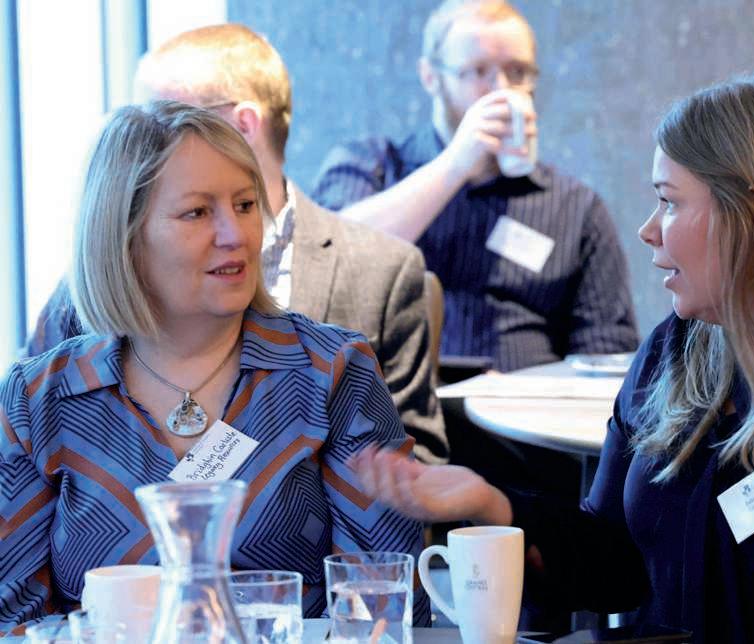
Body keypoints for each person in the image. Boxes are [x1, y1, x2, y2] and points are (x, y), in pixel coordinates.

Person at [351, 72, 754, 642]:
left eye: (669, 202)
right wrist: (491, 503)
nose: (647, 230)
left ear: (753, 216)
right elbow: (614, 562)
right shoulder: (673, 352)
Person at [0, 101, 429, 633]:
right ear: (124, 236)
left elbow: (382, 607)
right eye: (198, 213)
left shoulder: (331, 373)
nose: (236, 234)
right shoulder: (41, 398)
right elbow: (12, 621)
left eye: (245, 205)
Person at [23, 24, 448, 465]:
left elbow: (408, 477)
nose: (145, 139)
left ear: (243, 125)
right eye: (196, 212)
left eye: (169, 112)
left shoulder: (365, 301)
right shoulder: (78, 309)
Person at [312, 0, 639, 372]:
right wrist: (457, 163)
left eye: (517, 72)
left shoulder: (575, 207)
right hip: (391, 398)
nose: (501, 88)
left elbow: (604, 354)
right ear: (431, 77)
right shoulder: (372, 166)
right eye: (478, 71)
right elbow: (329, 265)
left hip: (517, 404)